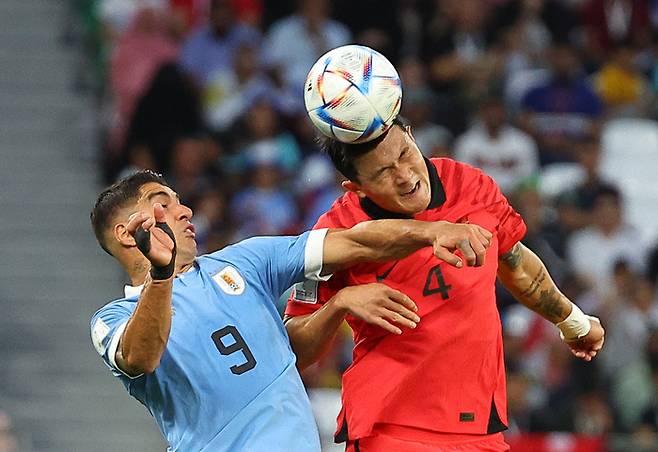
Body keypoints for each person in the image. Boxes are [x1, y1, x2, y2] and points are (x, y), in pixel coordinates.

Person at [89, 170, 492, 451]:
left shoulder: (243, 262)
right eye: (163, 205)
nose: (185, 211)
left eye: (180, 202)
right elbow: (141, 356)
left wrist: (431, 230)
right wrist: (162, 274)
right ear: (127, 234)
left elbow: (354, 242)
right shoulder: (111, 320)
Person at [284, 117, 605, 451]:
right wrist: (341, 303)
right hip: (391, 428)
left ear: (411, 135)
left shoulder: (470, 185)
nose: (406, 177)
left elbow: (515, 262)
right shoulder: (332, 235)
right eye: (383, 173)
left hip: (480, 429)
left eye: (405, 155)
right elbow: (294, 347)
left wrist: (572, 321)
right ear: (356, 187)